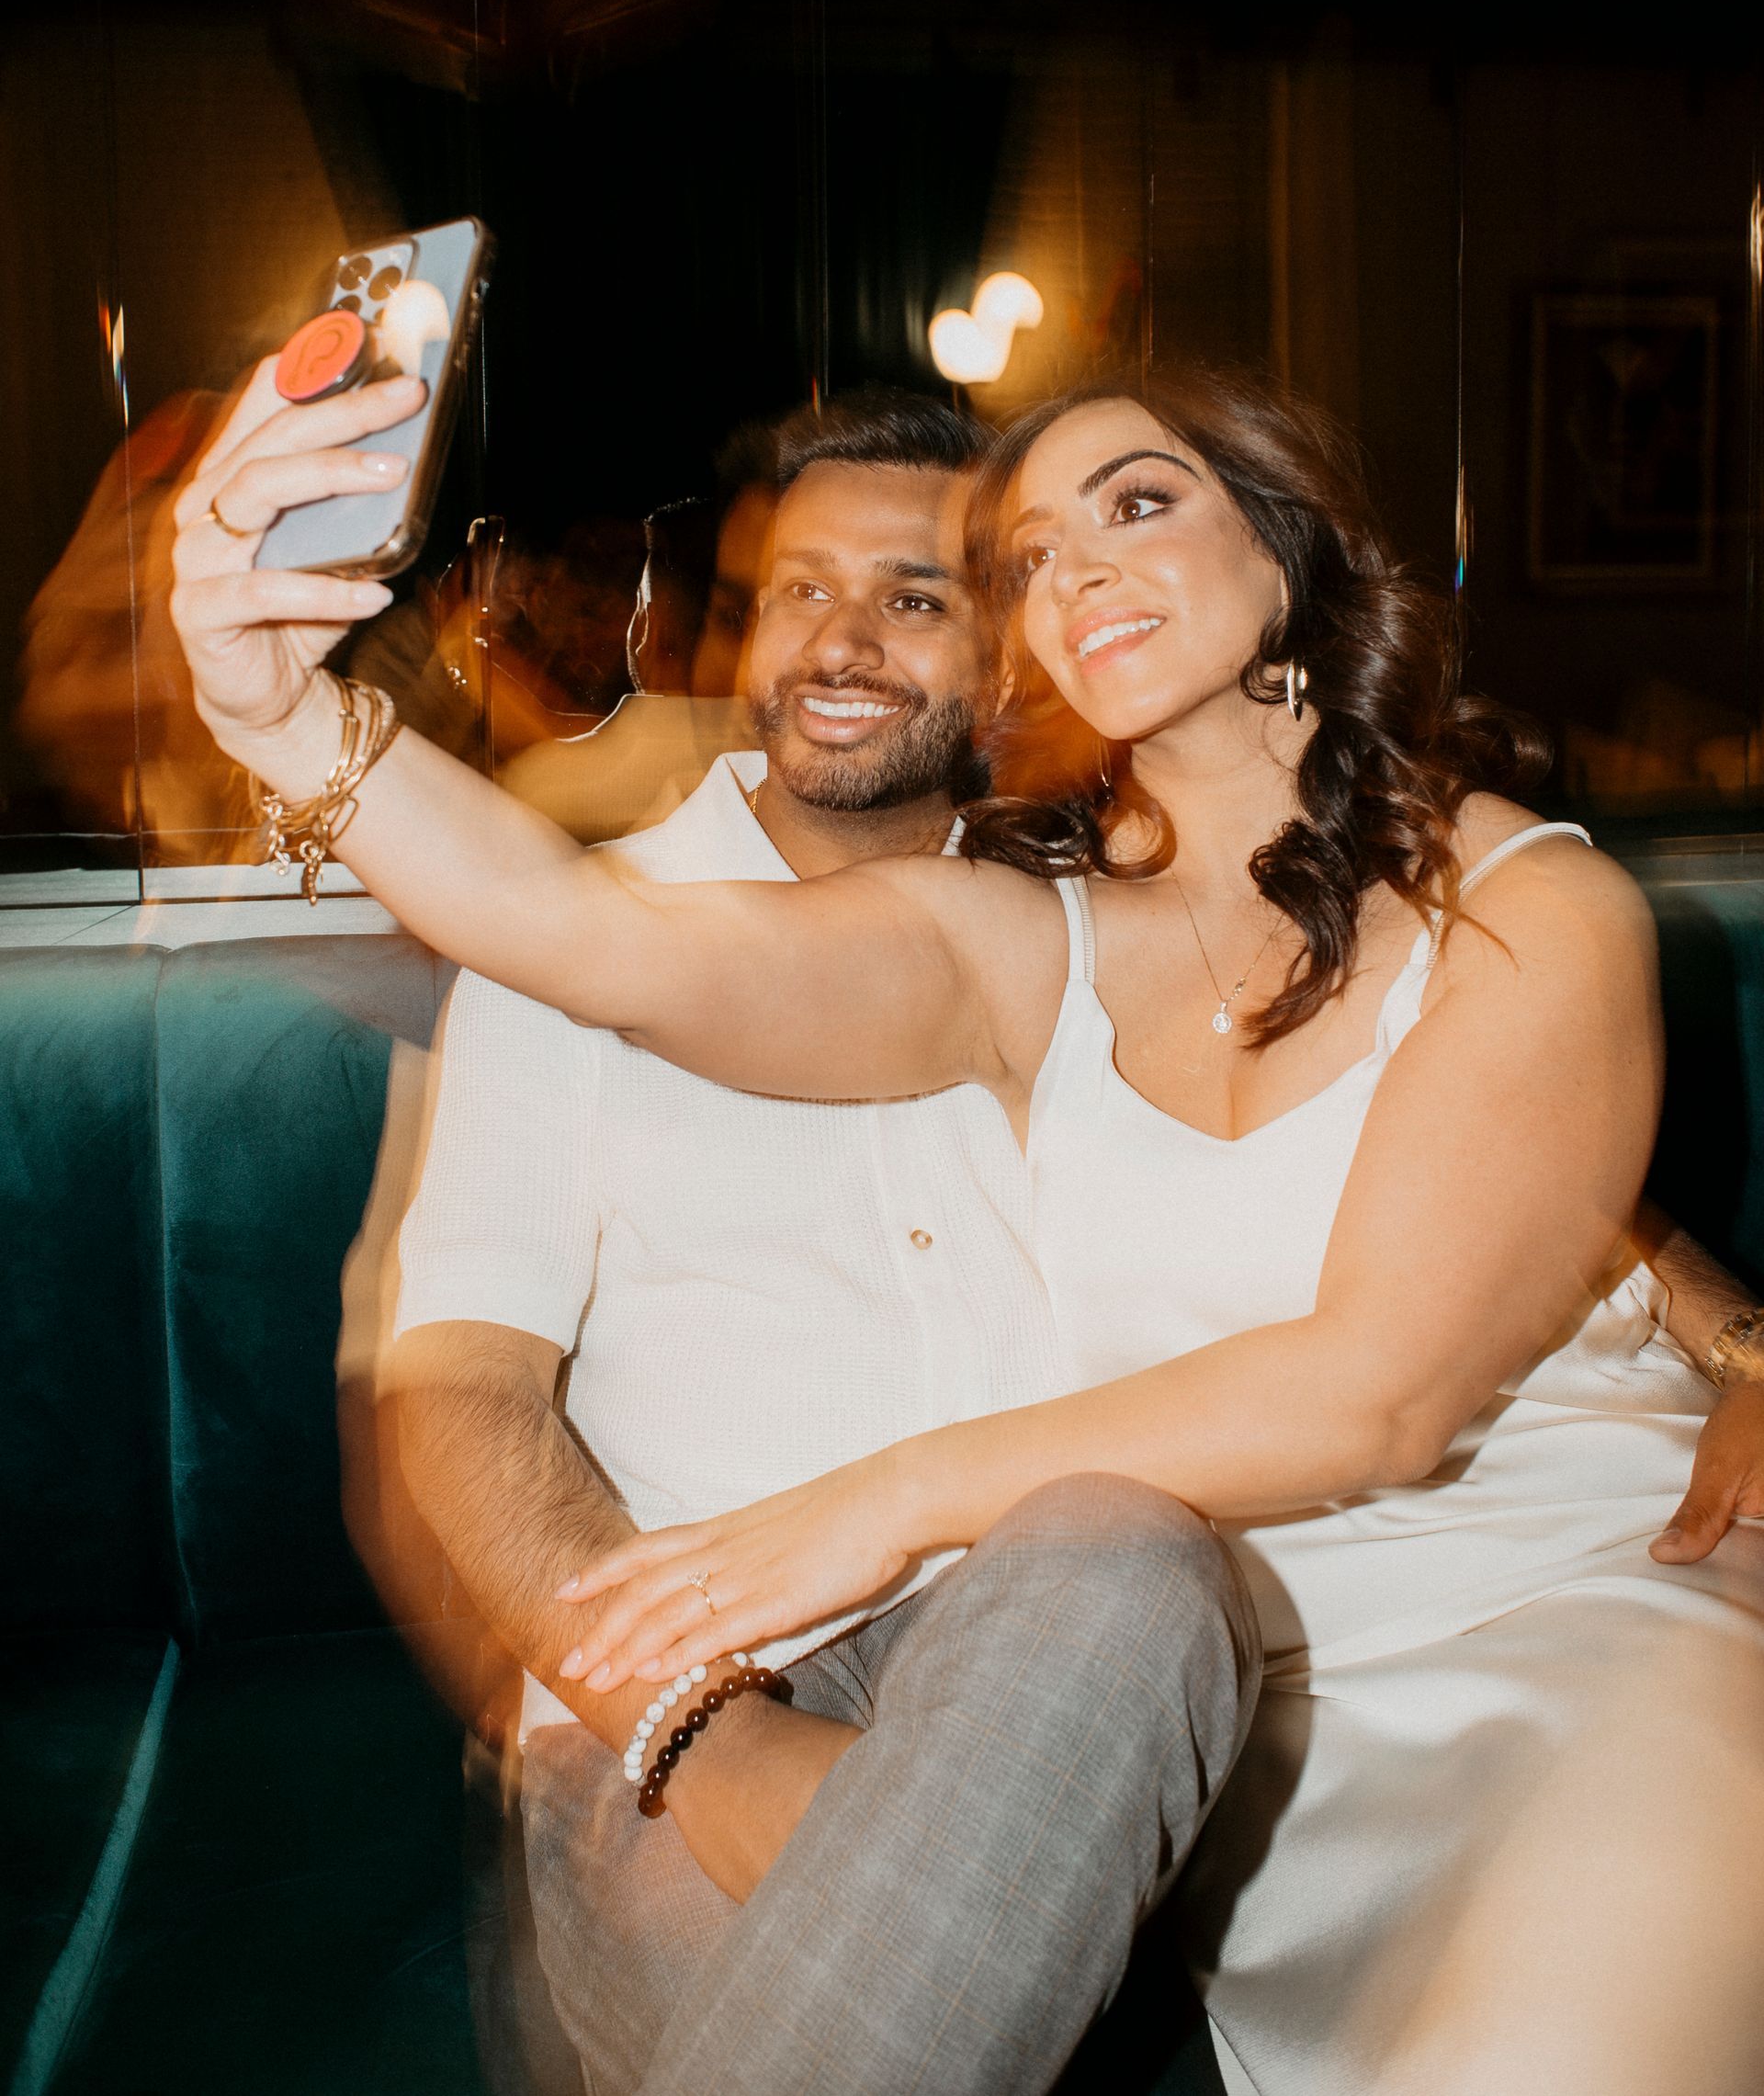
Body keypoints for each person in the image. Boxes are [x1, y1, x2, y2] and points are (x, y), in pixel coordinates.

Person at [171, 357, 1764, 2095]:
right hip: (1112, 1696)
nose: (1078, 572)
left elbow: (1423, 1308)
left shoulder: (1506, 904)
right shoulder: (1021, 944)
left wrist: (1734, 1327)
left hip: (1512, 1621)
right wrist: (276, 713)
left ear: (1283, 542)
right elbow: (598, 950)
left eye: (1134, 505)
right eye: (1034, 555)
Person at [368, 387, 1257, 2096]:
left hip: (1051, 1656)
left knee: (1133, 1554)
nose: (840, 641)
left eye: (913, 597)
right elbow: (463, 1392)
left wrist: (1728, 1325)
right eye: (800, 590)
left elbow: (1411, 1110)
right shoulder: (573, 935)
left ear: (1007, 658)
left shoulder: (1109, 932)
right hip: (685, 1667)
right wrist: (699, 1729)